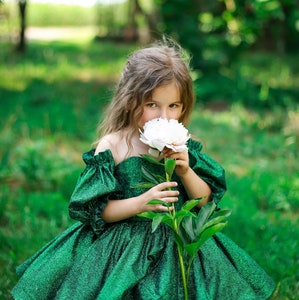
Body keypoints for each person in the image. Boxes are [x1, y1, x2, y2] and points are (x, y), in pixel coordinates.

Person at [12, 39, 275, 300]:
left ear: (184, 105)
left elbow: (204, 201)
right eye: (152, 105)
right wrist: (139, 203)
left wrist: (185, 171)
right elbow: (96, 211)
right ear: (130, 101)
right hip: (124, 245)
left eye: (173, 106)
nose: (164, 115)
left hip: (178, 239)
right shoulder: (114, 145)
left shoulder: (181, 142)